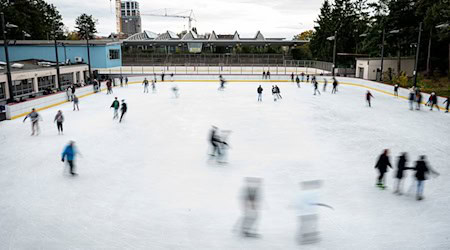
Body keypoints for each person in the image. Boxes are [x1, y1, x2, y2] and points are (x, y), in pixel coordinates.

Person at [296, 180, 333, 244]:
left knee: (309, 224)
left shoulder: (309, 193)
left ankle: (307, 236)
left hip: (308, 213)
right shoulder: (308, 193)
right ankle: (305, 237)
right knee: (307, 224)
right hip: (307, 213)